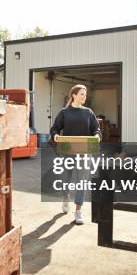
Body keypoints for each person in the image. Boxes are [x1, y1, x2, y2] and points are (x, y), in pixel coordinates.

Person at [50, 84, 101, 224]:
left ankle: (78, 210)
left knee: (82, 181)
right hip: (67, 151)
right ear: (74, 95)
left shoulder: (88, 112)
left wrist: (97, 136)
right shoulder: (64, 113)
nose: (85, 96)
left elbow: (96, 129)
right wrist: (55, 135)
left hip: (84, 152)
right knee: (66, 178)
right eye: (82, 94)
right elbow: (55, 128)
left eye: (85, 94)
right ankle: (66, 197)